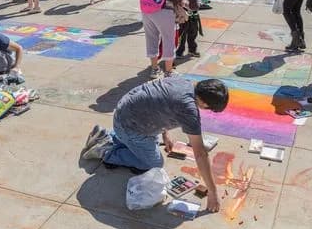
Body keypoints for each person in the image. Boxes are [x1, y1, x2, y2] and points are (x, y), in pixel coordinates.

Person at [82, 78, 229, 212]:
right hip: (130, 126)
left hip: (124, 113)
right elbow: (200, 154)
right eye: (209, 108)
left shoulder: (184, 82)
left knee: (139, 142)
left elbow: (159, 103)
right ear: (204, 102)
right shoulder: (188, 109)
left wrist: (165, 134)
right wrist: (213, 192)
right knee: (154, 163)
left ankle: (107, 135)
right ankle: (106, 151)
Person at [143, 0, 200, 78]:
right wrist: (187, 7)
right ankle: (169, 71)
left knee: (151, 38)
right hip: (164, 11)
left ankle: (154, 69)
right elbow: (195, 5)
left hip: (147, 8)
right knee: (168, 40)